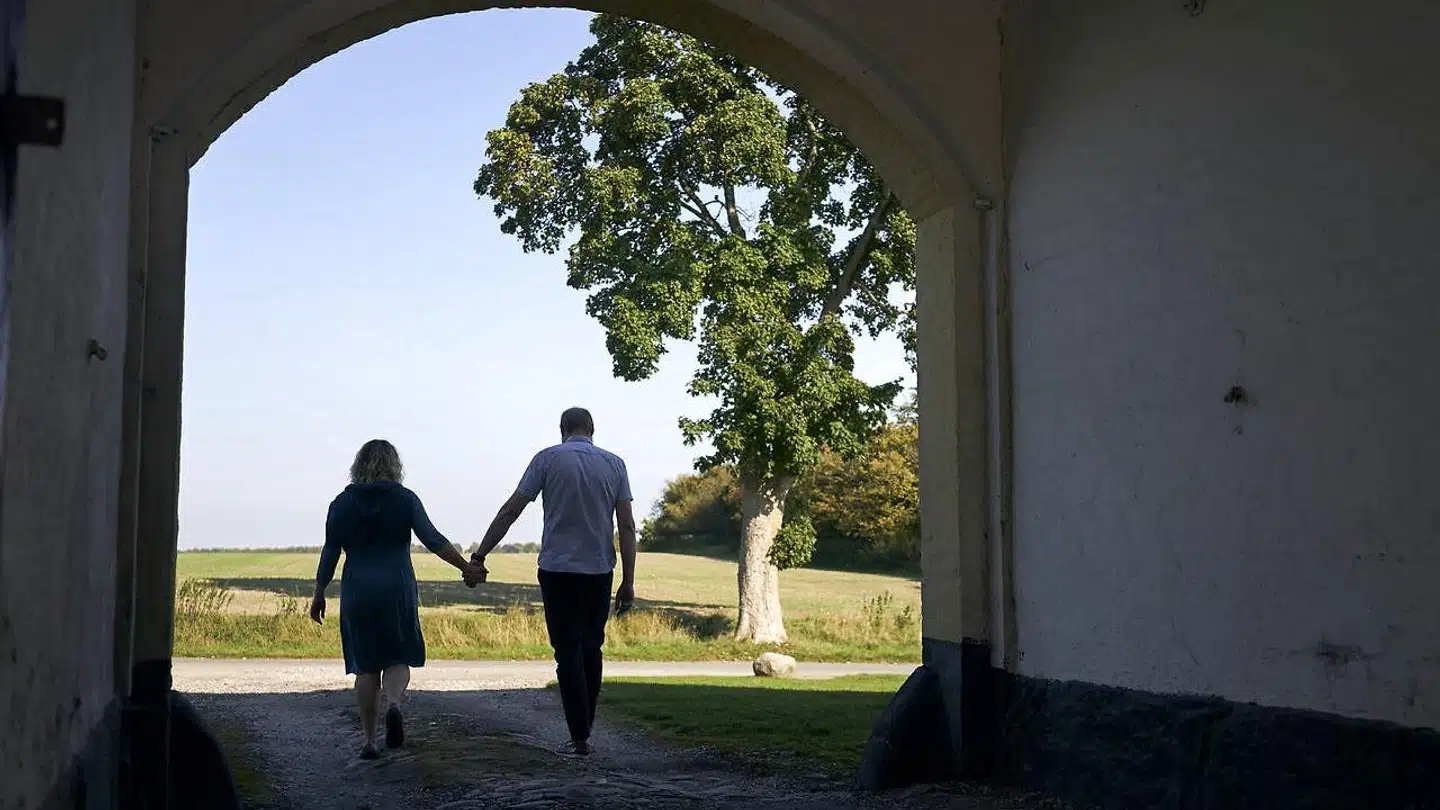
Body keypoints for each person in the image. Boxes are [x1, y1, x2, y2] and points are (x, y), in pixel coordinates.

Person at [466, 407, 637, 758]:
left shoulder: (546, 460)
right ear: (592, 429)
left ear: (562, 430)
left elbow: (511, 510)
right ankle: (584, 729)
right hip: (599, 569)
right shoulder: (615, 464)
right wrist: (628, 581)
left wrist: (480, 555)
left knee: (567, 651)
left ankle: (579, 736)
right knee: (592, 647)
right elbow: (628, 526)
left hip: (557, 569)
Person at [310, 439, 487, 760]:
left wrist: (319, 591)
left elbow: (331, 550)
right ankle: (393, 703)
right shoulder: (405, 500)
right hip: (396, 589)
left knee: (365, 666)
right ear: (395, 465)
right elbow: (433, 539)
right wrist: (467, 567)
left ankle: (369, 741)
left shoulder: (341, 504)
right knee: (397, 656)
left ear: (357, 465)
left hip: (358, 591)